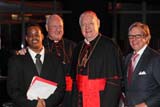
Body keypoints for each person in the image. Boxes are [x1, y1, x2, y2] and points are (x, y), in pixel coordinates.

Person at [17, 14, 76, 107]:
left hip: (70, 95)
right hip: (47, 97)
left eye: (60, 26)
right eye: (54, 26)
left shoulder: (72, 46)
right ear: (47, 28)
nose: (58, 29)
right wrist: (23, 52)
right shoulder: (39, 45)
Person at [71, 10, 122, 107]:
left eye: (91, 23)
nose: (87, 27)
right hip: (80, 101)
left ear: (98, 24)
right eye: (83, 24)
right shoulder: (78, 48)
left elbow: (114, 83)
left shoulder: (109, 46)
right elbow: (74, 82)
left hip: (101, 101)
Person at [7, 23, 65, 107]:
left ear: (42, 36)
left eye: (37, 34)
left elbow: (61, 87)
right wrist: (34, 104)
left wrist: (46, 103)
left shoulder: (56, 59)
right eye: (30, 35)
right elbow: (13, 90)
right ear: (26, 38)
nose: (34, 37)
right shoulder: (16, 61)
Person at [124, 22, 160, 107]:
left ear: (147, 38)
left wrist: (146, 104)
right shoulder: (128, 58)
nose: (133, 39)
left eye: (137, 36)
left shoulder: (155, 58)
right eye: (131, 36)